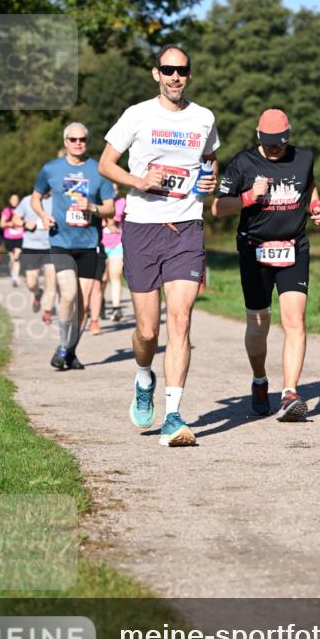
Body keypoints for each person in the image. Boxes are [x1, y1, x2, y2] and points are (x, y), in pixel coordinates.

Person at [99, 44, 219, 447]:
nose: (175, 77)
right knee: (148, 332)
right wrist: (138, 181)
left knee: (180, 321)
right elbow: (106, 164)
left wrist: (209, 180)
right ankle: (143, 376)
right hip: (142, 229)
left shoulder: (204, 117)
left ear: (189, 74)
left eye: (181, 70)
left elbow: (210, 160)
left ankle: (173, 415)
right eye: (168, 70)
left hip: (186, 228)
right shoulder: (137, 114)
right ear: (156, 74)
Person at [212, 108, 320, 421]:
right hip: (254, 250)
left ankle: (289, 393)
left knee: (295, 319)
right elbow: (218, 207)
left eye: (280, 143)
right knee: (258, 325)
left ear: (288, 136)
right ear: (258, 136)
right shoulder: (243, 163)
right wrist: (249, 197)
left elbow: (308, 186)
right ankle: (260, 380)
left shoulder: (304, 158)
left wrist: (316, 204)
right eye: (269, 143)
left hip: (293, 247)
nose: (275, 149)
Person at [31, 123, 114, 370]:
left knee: (84, 304)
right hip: (61, 242)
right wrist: (43, 215)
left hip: (88, 244)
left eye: (82, 139)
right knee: (68, 294)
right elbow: (36, 197)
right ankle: (63, 345)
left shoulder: (99, 169)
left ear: (87, 141)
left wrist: (93, 208)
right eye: (73, 139)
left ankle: (69, 351)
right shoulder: (51, 169)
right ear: (65, 141)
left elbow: (110, 208)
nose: (78, 143)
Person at [13, 193, 57, 323]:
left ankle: (47, 312)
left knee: (51, 281)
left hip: (52, 246)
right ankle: (37, 293)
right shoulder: (27, 200)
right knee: (31, 283)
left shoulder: (57, 200)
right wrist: (25, 223)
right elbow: (15, 219)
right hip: (31, 246)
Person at [101, 185, 126, 323]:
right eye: (110, 189)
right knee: (102, 278)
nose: (113, 192)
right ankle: (100, 303)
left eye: (115, 189)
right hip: (100, 243)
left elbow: (115, 218)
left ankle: (117, 308)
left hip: (117, 243)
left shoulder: (121, 202)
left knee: (115, 276)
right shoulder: (97, 202)